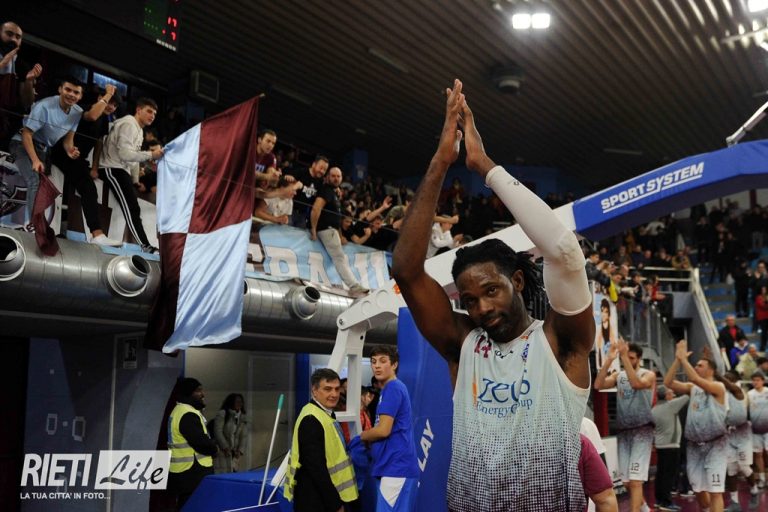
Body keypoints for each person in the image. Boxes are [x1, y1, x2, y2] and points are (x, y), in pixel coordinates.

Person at [391, 80, 594, 511]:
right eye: (469, 300)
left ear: (517, 281)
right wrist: (441, 162)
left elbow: (564, 252)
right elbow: (406, 271)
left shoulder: (561, 342)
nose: (482, 308)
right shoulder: (463, 344)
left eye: (490, 290)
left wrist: (483, 166)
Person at [51, 85, 122, 246]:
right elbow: (92, 116)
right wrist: (108, 94)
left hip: (79, 158)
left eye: (115, 105)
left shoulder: (104, 121)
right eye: (109, 102)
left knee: (86, 190)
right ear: (99, 98)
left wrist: (95, 167)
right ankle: (96, 234)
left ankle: (90, 234)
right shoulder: (85, 108)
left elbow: (99, 143)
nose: (111, 107)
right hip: (62, 152)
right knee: (86, 188)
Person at [8, 75, 84, 229]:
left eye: (76, 92)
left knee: (43, 185)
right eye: (68, 90)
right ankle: (35, 226)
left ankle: (37, 223)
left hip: (43, 148)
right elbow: (26, 134)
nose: (71, 94)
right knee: (33, 180)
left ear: (80, 96)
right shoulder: (44, 106)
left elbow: (68, 140)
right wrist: (35, 160)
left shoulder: (78, 112)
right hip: (22, 143)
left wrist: (70, 150)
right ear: (60, 89)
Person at [663, 340, 728, 512]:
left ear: (710, 370)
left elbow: (694, 377)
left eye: (700, 365)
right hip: (694, 446)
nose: (696, 367)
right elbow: (668, 382)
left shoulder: (718, 386)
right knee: (698, 489)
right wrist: (677, 360)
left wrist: (684, 359)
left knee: (715, 491)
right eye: (696, 365)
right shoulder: (692, 388)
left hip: (715, 445)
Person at [284, 368, 358, 512]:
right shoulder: (311, 419)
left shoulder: (325, 414)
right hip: (316, 500)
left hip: (326, 496)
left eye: (337, 389)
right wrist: (335, 504)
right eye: (327, 389)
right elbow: (316, 469)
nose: (334, 394)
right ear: (314, 391)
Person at [593, 340, 655, 512]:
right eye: (626, 357)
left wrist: (624, 356)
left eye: (631, 358)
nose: (627, 360)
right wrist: (609, 359)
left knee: (635, 481)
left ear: (639, 358)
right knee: (627, 482)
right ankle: (644, 508)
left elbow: (636, 384)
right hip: (624, 432)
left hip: (642, 431)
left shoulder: (648, 374)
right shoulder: (619, 376)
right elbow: (598, 385)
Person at [97, 97, 164, 253]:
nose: (152, 116)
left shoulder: (139, 129)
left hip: (121, 169)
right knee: (132, 208)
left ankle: (145, 245)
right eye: (149, 111)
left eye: (154, 114)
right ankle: (145, 246)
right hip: (112, 168)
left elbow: (133, 157)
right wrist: (151, 155)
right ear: (138, 110)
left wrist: (135, 180)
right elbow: (125, 154)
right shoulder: (128, 124)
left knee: (133, 208)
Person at [359, 345, 419, 512]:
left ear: (394, 364)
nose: (377, 366)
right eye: (373, 362)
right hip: (393, 467)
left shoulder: (393, 388)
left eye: (383, 361)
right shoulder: (389, 389)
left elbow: (383, 430)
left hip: (396, 468)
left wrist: (362, 436)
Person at [310, 166, 368, 296]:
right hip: (327, 229)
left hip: (332, 230)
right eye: (333, 176)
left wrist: (340, 235)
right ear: (327, 177)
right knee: (339, 258)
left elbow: (336, 218)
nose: (336, 179)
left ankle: (354, 285)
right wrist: (313, 228)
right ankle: (354, 286)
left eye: (338, 176)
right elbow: (316, 209)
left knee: (339, 257)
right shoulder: (326, 190)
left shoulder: (333, 192)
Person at [167, 377, 217, 511]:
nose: (203, 394)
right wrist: (214, 448)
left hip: (183, 472)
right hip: (193, 472)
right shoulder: (188, 414)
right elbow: (201, 443)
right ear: (188, 393)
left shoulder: (179, 411)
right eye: (198, 391)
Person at [0, 21, 42, 148]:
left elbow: (27, 102)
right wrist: (3, 64)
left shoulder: (22, 66)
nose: (13, 39)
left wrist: (29, 81)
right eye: (9, 34)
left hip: (5, 124)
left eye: (18, 37)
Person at [721, 370, 757, 510]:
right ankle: (734, 502)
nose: (724, 381)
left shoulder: (738, 390)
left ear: (734, 380)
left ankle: (754, 490)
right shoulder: (722, 393)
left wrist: (716, 373)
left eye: (727, 378)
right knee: (731, 469)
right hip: (729, 433)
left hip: (742, 433)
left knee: (743, 466)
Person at [652, 385, 689, 511]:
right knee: (669, 475)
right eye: (671, 393)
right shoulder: (672, 405)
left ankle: (659, 500)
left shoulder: (654, 409)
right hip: (671, 446)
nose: (673, 395)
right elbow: (688, 395)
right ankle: (666, 502)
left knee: (661, 474)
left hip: (660, 445)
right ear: (667, 395)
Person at [288, 155, 329, 228]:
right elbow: (286, 184)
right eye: (321, 168)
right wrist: (290, 179)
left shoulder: (321, 182)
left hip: (303, 215)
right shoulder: (300, 172)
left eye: (325, 170)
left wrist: (336, 188)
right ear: (314, 164)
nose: (322, 171)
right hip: (289, 210)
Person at [212, 393, 248, 474]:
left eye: (241, 402)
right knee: (222, 473)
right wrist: (225, 447)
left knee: (233, 473)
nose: (239, 404)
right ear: (231, 402)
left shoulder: (243, 417)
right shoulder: (222, 414)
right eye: (237, 402)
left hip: (235, 453)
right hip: (222, 451)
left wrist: (240, 450)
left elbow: (244, 436)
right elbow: (218, 431)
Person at [749, 370, 768, 490]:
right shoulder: (749, 394)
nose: (755, 382)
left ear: (763, 381)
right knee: (758, 454)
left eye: (758, 380)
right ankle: (762, 479)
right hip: (755, 430)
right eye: (754, 380)